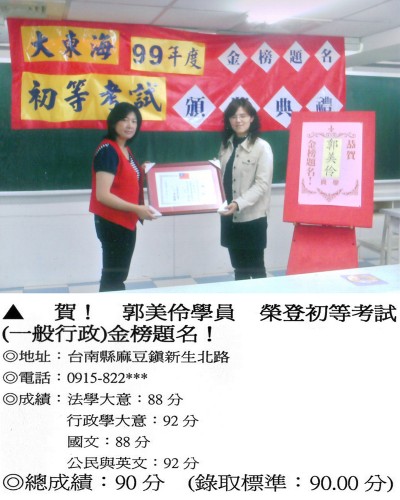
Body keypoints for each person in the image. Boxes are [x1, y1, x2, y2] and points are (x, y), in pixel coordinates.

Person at [89, 102, 157, 292]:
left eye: (134, 121)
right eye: (125, 120)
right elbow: (103, 195)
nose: (130, 125)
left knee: (117, 275)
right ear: (114, 122)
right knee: (113, 276)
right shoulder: (108, 150)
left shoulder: (124, 149)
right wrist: (137, 209)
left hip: (125, 221)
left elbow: (123, 178)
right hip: (113, 223)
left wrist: (142, 171)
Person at [218, 97, 273, 280]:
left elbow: (262, 184)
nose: (238, 120)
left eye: (242, 116)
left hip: (252, 219)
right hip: (230, 217)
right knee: (239, 269)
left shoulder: (262, 147)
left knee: (256, 269)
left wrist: (238, 203)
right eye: (233, 116)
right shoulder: (225, 146)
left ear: (251, 118)